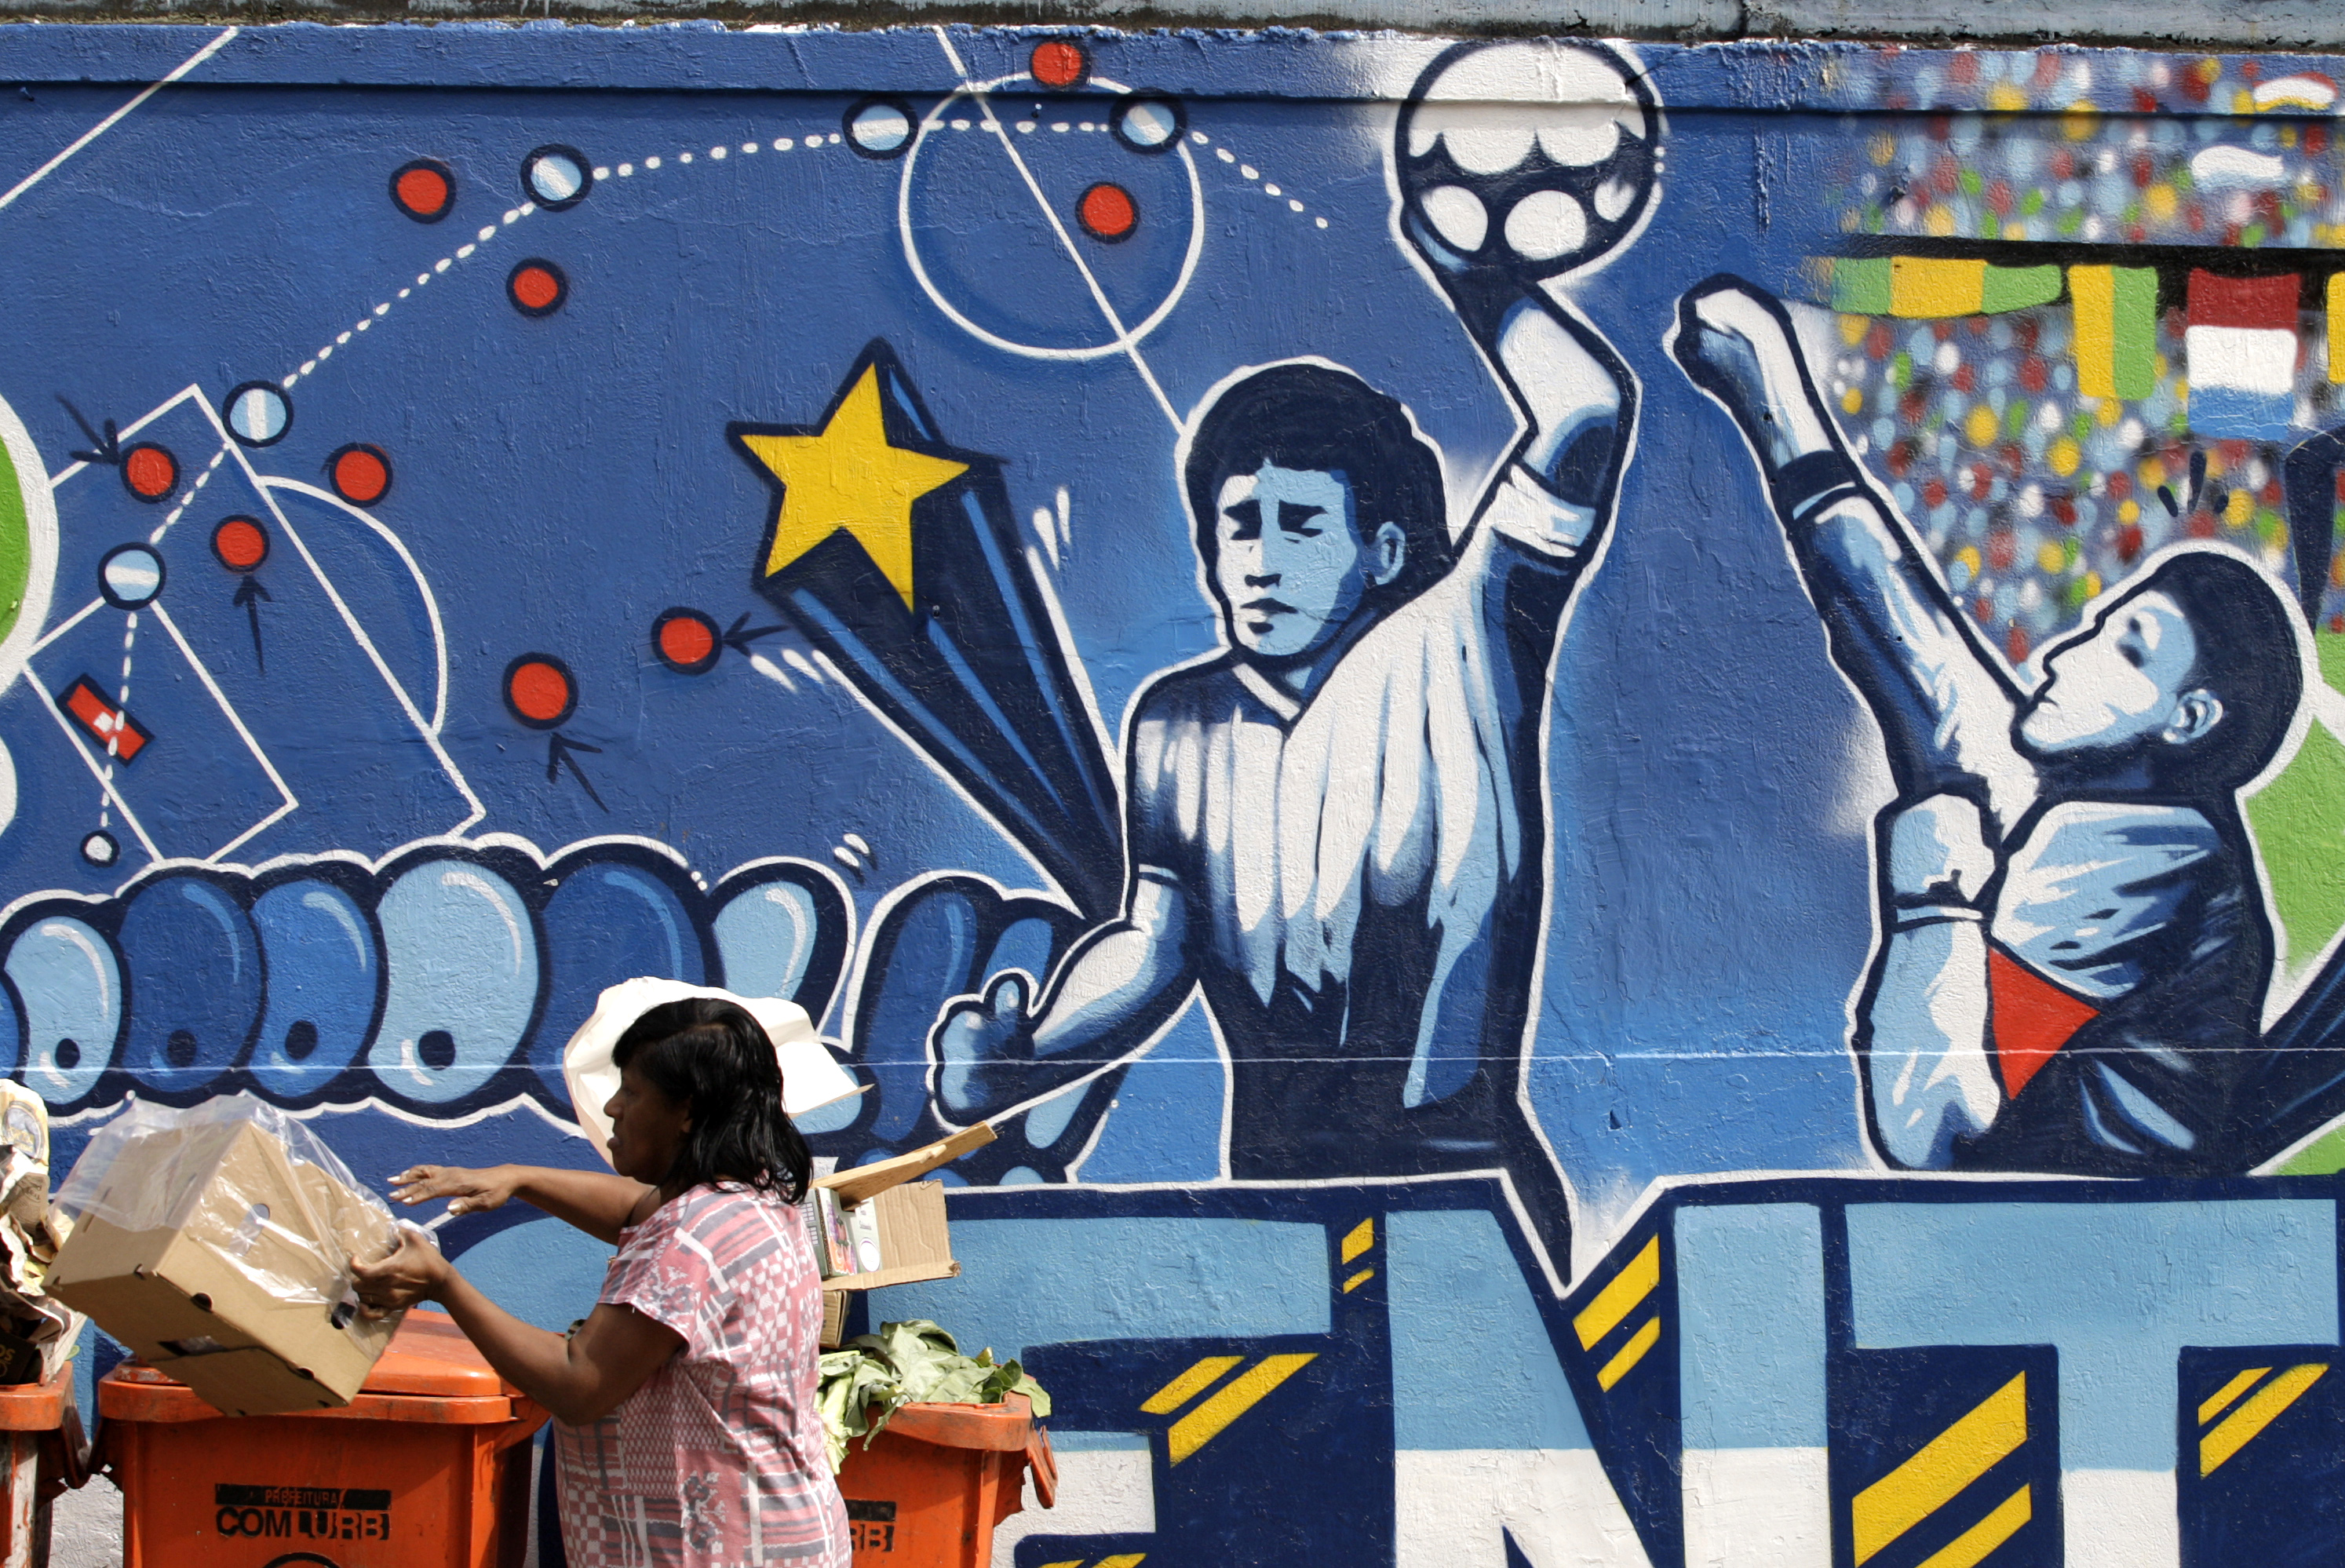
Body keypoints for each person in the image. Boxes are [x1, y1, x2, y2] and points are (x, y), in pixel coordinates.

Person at [925, 242, 1637, 1285]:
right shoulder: (1178, 722)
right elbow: (1151, 939)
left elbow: (1586, 409)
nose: (1259, 559)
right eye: (1237, 526)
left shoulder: (1467, 638)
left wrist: (1462, 258)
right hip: (1269, 1200)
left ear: (1385, 551)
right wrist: (1026, 1055)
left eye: (1301, 525)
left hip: (1461, 1189)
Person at [1672, 276, 2307, 1176]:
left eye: (2123, 649)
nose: (2062, 657)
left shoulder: (2138, 856)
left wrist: (1934, 896)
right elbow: (1914, 649)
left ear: (2188, 718)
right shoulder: (2132, 827)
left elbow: (1932, 1123)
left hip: (2064, 1255)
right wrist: (1781, 411)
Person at [351, 997, 849, 1568]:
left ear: (685, 1110)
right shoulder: (748, 1196)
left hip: (714, 1550)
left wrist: (444, 1286)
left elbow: (578, 1381)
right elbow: (638, 1209)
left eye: (631, 1092)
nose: (612, 1107)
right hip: (784, 1533)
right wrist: (520, 1178)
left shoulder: (690, 1241)